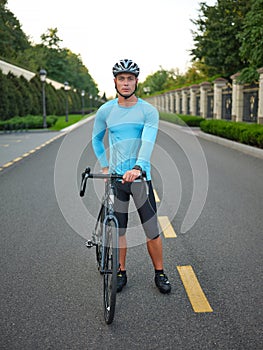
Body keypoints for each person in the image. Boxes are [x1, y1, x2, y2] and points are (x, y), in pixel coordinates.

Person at [92, 59, 171, 294]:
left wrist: (137, 167)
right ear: (115, 81)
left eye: (130, 78)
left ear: (137, 81)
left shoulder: (148, 111)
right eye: (121, 78)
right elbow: (96, 139)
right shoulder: (105, 110)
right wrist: (106, 167)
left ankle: (160, 273)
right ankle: (120, 271)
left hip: (139, 179)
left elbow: (148, 141)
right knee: (120, 230)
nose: (126, 83)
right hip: (116, 179)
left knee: (151, 229)